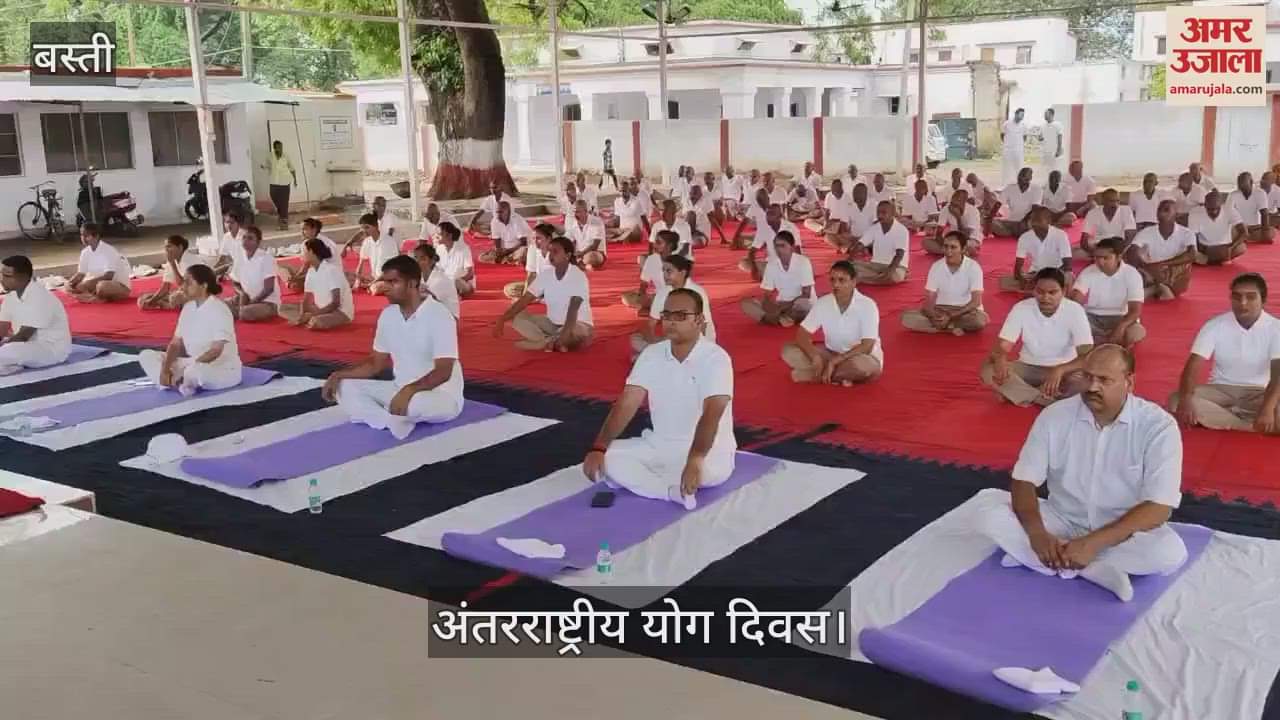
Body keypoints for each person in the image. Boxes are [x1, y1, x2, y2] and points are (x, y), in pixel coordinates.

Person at [974, 344, 1188, 603]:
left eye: (1104, 380)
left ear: (1129, 381)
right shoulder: (1055, 416)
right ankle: (1088, 567)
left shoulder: (1159, 427)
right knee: (987, 511)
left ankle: (1044, 560)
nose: (1092, 387)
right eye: (1087, 377)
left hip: (1119, 531)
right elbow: (1024, 480)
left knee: (1169, 552)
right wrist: (1037, 535)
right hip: (1061, 518)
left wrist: (1093, 543)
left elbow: (1159, 507)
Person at [583, 288, 734, 510]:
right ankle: (669, 492)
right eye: (667, 315)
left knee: (705, 471)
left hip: (709, 452)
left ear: (700, 320)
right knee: (607, 459)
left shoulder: (715, 358)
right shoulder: (651, 354)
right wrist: (599, 447)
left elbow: (711, 415)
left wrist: (695, 460)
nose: (671, 322)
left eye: (681, 316)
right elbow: (627, 403)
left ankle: (657, 481)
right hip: (660, 444)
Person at [321, 255, 463, 440]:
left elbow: (443, 372)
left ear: (412, 284)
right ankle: (389, 421)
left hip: (439, 396)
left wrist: (409, 391)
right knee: (344, 387)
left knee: (416, 404)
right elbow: (375, 364)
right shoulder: (388, 315)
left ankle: (385, 415)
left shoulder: (439, 315)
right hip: (399, 389)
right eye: (384, 281)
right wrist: (338, 375)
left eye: (393, 282)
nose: (385, 287)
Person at [1169, 272, 1280, 434]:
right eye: (1237, 297)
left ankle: (1227, 419)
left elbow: (1278, 375)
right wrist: (1186, 400)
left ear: (1263, 300)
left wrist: (1267, 409)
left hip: (1260, 392)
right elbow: (1193, 365)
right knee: (1175, 401)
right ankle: (1249, 426)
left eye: (1250, 297)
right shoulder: (1215, 325)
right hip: (1220, 390)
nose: (1242, 303)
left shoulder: (1276, 328)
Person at [982, 267, 1093, 407]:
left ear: (1064, 291)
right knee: (988, 369)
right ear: (1033, 290)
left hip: (1064, 371)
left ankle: (1019, 394)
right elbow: (1003, 345)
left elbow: (1087, 355)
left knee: (1087, 382)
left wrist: (1060, 369)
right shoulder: (1021, 308)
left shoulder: (1075, 311)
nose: (1045, 298)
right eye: (1040, 292)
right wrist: (1001, 359)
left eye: (1052, 292)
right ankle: (1042, 398)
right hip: (1028, 367)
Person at [139, 264, 243, 395]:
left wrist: (190, 366)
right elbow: (175, 344)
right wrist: (165, 369)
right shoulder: (188, 307)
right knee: (147, 356)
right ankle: (173, 382)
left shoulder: (219, 310)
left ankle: (180, 382)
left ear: (204, 286)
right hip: (192, 362)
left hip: (221, 369)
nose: (183, 287)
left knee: (194, 372)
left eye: (188, 283)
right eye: (184, 282)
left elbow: (215, 351)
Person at [782, 260, 882, 385]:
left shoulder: (867, 305)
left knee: (863, 367)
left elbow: (867, 346)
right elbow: (802, 334)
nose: (836, 284)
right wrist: (815, 356)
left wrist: (836, 361)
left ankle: (817, 376)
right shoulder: (823, 302)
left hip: (859, 356)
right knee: (788, 350)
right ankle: (841, 377)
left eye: (842, 280)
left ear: (854, 282)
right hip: (830, 353)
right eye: (832, 279)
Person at [494, 237, 593, 352]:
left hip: (578, 325)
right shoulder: (546, 274)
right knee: (517, 315)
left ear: (568, 255)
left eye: (555, 252)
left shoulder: (577, 276)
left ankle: (550, 341)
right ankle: (546, 342)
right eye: (550, 251)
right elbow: (525, 299)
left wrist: (563, 337)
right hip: (552, 324)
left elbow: (573, 310)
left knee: (573, 333)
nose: (551, 255)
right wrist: (502, 319)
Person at [901, 231, 987, 335]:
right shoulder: (936, 267)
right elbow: (928, 300)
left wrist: (950, 316)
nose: (948, 251)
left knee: (979, 320)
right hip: (940, 309)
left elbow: (976, 302)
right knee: (905, 318)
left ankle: (941, 327)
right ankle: (951, 328)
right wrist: (933, 316)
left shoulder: (973, 267)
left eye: (953, 247)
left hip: (965, 311)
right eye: (945, 246)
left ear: (963, 249)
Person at [631, 254, 715, 358]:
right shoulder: (663, 292)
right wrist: (652, 340)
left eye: (669, 271)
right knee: (635, 339)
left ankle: (658, 356)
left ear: (682, 273)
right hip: (671, 339)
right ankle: (660, 355)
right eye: (663, 271)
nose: (665, 275)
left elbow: (703, 326)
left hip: (694, 340)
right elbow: (651, 324)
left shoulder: (698, 292)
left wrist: (697, 349)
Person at [1069, 237, 1146, 348]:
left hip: (1120, 317)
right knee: (1071, 325)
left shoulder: (1132, 274)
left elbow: (1135, 311)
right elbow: (1076, 302)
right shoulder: (1088, 271)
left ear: (1119, 257)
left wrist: (1120, 328)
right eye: (1097, 257)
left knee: (1136, 332)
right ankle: (1106, 343)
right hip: (1092, 318)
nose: (1100, 262)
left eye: (1105, 258)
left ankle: (1099, 342)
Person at [0, 255, 71, 374]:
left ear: (23, 277)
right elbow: (2, 328)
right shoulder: (11, 295)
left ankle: (9, 363)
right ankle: (10, 364)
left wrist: (3, 345)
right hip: (26, 345)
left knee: (7, 350)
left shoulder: (40, 297)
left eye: (7, 276)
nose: (2, 279)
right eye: (1, 274)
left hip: (50, 350)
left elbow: (23, 336)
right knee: (7, 349)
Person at [741, 231, 814, 327]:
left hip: (798, 303)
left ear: (792, 247)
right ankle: (780, 319)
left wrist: (785, 307)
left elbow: (806, 294)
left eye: (782, 246)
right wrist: (770, 306)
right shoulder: (772, 265)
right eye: (776, 246)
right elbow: (767, 295)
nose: (779, 249)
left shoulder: (803, 262)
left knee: (802, 304)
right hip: (780, 304)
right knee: (746, 303)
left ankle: (773, 319)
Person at [1127, 200, 1196, 300]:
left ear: (1176, 215)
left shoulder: (1187, 233)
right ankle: (1158, 288)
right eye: (1159, 210)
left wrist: (1162, 265)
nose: (1161, 213)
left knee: (1184, 265)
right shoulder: (1147, 232)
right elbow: (1132, 251)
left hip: (1175, 272)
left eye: (1166, 210)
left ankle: (1155, 288)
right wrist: (1146, 266)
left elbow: (1192, 255)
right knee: (1130, 262)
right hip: (1150, 271)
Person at [280, 240, 354, 331]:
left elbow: (335, 303)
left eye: (304, 251)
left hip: (340, 312)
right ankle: (307, 319)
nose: (302, 255)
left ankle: (311, 319)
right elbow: (306, 300)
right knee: (281, 308)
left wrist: (316, 314)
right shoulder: (311, 272)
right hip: (319, 308)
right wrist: (302, 314)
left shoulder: (331, 270)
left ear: (311, 251)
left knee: (317, 321)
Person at [999, 207, 1073, 294]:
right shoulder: (1024, 237)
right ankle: (1047, 292)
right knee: (1003, 282)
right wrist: (1022, 278)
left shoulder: (1061, 235)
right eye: (1032, 219)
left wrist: (1044, 277)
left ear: (1048, 221)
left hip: (1057, 273)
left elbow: (1068, 265)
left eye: (1038, 219)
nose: (1034, 222)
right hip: (1035, 274)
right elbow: (1018, 267)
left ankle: (1036, 292)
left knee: (1069, 277)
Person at [226, 225, 280, 322]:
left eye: (250, 238)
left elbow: (269, 289)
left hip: (266, 302)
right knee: (220, 305)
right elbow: (235, 282)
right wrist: (242, 293)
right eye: (244, 237)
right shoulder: (240, 256)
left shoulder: (266, 258)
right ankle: (238, 311)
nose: (245, 241)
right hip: (246, 299)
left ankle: (238, 312)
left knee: (245, 313)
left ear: (258, 242)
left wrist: (252, 302)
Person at [67, 223, 131, 303]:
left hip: (117, 285)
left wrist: (88, 284)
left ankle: (92, 297)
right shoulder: (85, 252)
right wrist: (70, 283)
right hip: (95, 284)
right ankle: (94, 297)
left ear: (96, 236)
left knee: (102, 286)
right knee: (71, 287)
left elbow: (109, 276)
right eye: (82, 235)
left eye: (87, 236)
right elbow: (81, 274)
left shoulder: (108, 250)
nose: (83, 238)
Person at [852, 200, 910, 285]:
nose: (880, 215)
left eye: (883, 213)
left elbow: (899, 254)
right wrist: (849, 259)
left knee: (893, 276)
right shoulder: (874, 227)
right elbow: (860, 244)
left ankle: (862, 278)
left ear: (893, 213)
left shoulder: (901, 230)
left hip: (896, 267)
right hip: (875, 265)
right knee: (850, 266)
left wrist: (890, 270)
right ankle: (874, 277)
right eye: (878, 212)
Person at [281, 217, 342, 291]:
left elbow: (307, 266)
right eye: (301, 229)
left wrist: (296, 278)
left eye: (305, 229)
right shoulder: (309, 242)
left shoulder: (320, 243)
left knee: (294, 284)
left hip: (328, 276)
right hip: (320, 272)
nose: (302, 232)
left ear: (314, 230)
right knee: (285, 268)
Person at [741, 204, 800, 278]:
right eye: (767, 214)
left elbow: (797, 250)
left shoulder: (791, 227)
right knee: (744, 262)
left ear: (780, 216)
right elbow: (752, 252)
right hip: (771, 263)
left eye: (772, 214)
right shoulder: (763, 228)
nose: (768, 217)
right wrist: (754, 269)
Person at [138, 235, 195, 311]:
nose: (166, 250)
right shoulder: (172, 261)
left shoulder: (189, 260)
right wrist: (151, 301)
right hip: (183, 292)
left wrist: (172, 264)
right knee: (144, 298)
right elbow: (165, 288)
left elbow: (182, 284)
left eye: (169, 246)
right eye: (165, 247)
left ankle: (167, 305)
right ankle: (164, 304)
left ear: (180, 247)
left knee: (175, 298)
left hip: (197, 294)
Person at [1077, 188, 1137, 259]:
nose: (1115, 204)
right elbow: (1084, 240)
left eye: (1117, 201)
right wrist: (1095, 253)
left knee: (1134, 250)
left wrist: (1118, 253)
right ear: (1103, 201)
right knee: (1074, 254)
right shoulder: (1092, 213)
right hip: (1100, 245)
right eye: (1111, 201)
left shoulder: (1126, 211)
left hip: (1120, 245)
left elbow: (1130, 237)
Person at [1191, 190, 1246, 266]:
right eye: (1210, 209)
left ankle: (1212, 260)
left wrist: (1231, 247)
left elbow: (1244, 232)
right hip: (1206, 248)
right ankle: (1218, 258)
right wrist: (1197, 253)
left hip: (1227, 246)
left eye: (1217, 208)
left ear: (1221, 204)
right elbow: (1192, 237)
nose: (1214, 212)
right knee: (1188, 252)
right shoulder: (1195, 213)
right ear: (1205, 205)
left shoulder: (1229, 210)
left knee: (1241, 248)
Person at [504, 222, 554, 300]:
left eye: (539, 238)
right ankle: (540, 297)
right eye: (534, 238)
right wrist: (525, 297)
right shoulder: (533, 249)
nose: (535, 241)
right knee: (510, 289)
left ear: (549, 239)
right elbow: (531, 276)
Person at [352, 212, 399, 294]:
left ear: (376, 226)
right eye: (362, 228)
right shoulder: (367, 241)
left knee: (375, 289)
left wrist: (371, 283)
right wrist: (357, 280)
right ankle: (370, 286)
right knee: (348, 277)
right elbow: (360, 264)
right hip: (373, 277)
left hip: (388, 278)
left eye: (367, 227)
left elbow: (390, 270)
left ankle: (373, 286)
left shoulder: (388, 241)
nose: (364, 231)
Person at [412, 242, 461, 320]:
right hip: (432, 314)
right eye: (415, 258)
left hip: (449, 319)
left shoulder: (441, 280)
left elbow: (428, 302)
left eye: (422, 258)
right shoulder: (419, 276)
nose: (417, 261)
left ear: (432, 261)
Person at [991, 167, 1042, 238]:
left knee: (1036, 224)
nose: (1021, 178)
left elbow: (1035, 209)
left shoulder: (1037, 189)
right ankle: (1014, 233)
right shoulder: (1010, 188)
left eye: (1024, 176)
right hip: (1011, 221)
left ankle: (1013, 233)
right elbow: (998, 204)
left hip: (1027, 222)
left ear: (1030, 178)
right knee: (991, 223)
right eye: (1020, 175)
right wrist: (990, 217)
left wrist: (1023, 222)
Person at [930, 188, 982, 256]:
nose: (954, 201)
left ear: (964, 201)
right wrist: (943, 244)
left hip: (970, 239)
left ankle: (954, 251)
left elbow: (965, 236)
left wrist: (958, 218)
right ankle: (957, 252)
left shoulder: (973, 211)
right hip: (952, 240)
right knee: (925, 242)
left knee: (960, 244)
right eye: (953, 198)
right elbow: (939, 233)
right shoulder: (946, 208)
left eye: (958, 199)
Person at [1227, 171, 1274, 244]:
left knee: (1270, 232)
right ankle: (1245, 237)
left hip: (1255, 228)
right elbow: (1228, 213)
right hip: (1239, 228)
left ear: (1251, 182)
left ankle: (1244, 238)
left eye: (1244, 185)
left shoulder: (1260, 193)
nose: (1242, 188)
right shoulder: (1233, 195)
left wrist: (1265, 231)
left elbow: (1264, 213)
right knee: (1228, 232)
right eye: (1240, 185)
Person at [478, 201, 530, 266]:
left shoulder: (517, 220)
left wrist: (508, 252)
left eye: (501, 212)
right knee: (481, 257)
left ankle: (510, 259)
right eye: (497, 212)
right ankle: (510, 260)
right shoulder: (494, 221)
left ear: (508, 212)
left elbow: (524, 242)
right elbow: (497, 240)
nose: (498, 215)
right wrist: (499, 251)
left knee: (524, 252)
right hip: (505, 249)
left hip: (519, 248)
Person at [262, 140, 297, 230]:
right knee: (274, 198)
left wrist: (295, 180)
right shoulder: (270, 156)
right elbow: (266, 164)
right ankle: (282, 215)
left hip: (285, 182)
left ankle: (284, 224)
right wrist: (263, 166)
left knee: (284, 202)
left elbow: (292, 168)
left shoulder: (286, 156)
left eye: (281, 146)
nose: (280, 148)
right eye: (278, 147)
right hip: (274, 182)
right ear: (274, 148)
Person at [435, 222, 476, 298]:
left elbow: (470, 274)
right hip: (446, 283)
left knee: (456, 282)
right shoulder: (439, 249)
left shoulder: (463, 248)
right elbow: (438, 270)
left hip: (462, 283)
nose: (436, 236)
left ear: (449, 236)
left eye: (439, 234)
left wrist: (452, 282)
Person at [565, 200, 607, 270]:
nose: (575, 215)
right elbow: (568, 240)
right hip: (579, 255)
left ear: (585, 211)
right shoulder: (573, 223)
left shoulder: (597, 221)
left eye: (578, 212)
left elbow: (595, 245)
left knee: (593, 257)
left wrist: (582, 253)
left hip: (595, 253)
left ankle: (578, 264)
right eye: (574, 212)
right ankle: (583, 265)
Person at [214, 210, 247, 278]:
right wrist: (214, 267)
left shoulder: (246, 236)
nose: (229, 225)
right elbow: (222, 258)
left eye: (232, 222)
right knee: (212, 273)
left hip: (247, 268)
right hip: (235, 267)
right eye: (227, 222)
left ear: (238, 223)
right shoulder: (226, 237)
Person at [1001, 108, 1027, 184]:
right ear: (1016, 114)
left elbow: (1024, 138)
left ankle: (1019, 185)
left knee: (1019, 168)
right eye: (1021, 114)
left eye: (1023, 115)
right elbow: (1002, 135)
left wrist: (1018, 145)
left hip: (1018, 151)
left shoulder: (1023, 126)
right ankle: (1005, 185)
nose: (1022, 116)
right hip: (1008, 150)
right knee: (1006, 169)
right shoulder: (1006, 124)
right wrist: (1008, 144)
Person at [1038, 108, 1064, 174]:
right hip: (1046, 152)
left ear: (1051, 114)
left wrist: (1058, 150)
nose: (1044, 115)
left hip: (1054, 151)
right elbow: (1040, 138)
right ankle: (1046, 182)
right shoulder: (1043, 126)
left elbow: (1060, 137)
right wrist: (1040, 138)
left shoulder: (1058, 124)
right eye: (1044, 114)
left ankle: (1055, 183)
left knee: (1055, 169)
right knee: (1046, 169)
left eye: (1046, 114)